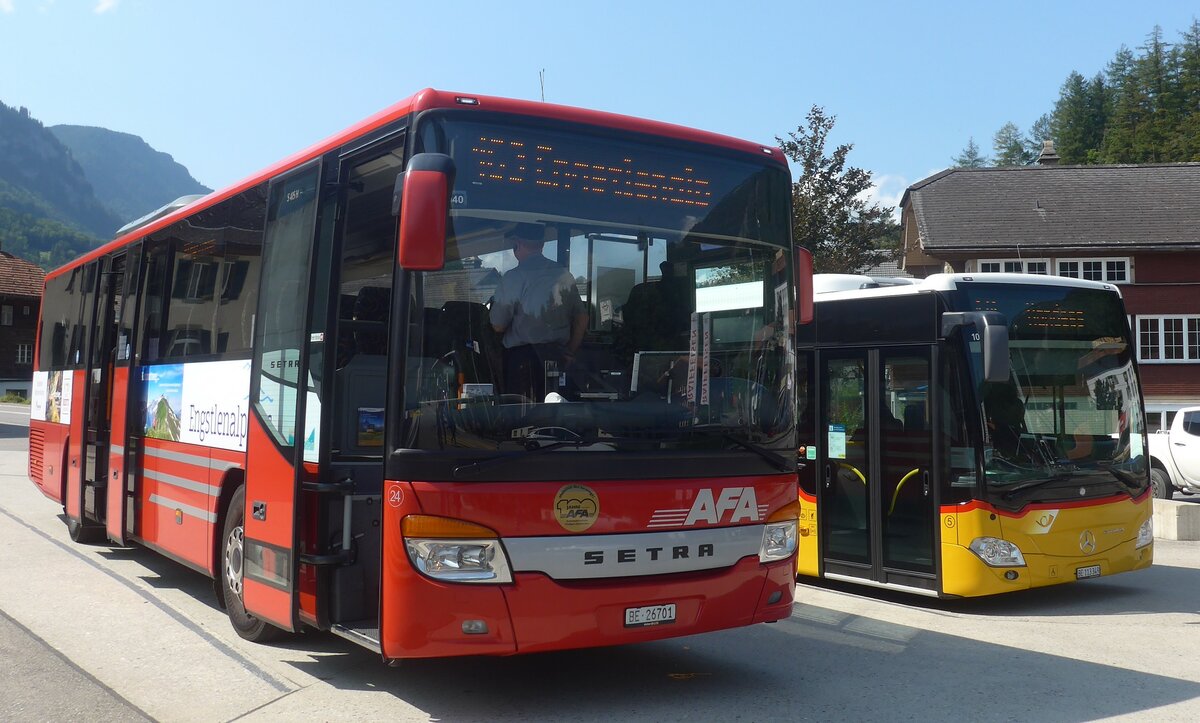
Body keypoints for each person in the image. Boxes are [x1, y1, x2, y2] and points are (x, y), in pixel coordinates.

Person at [489, 223, 588, 401]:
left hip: (523, 362)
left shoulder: (514, 277)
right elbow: (582, 318)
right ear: (542, 245)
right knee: (557, 412)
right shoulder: (563, 274)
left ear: (517, 244)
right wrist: (569, 352)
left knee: (525, 417)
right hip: (558, 358)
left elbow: (497, 325)